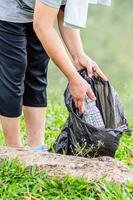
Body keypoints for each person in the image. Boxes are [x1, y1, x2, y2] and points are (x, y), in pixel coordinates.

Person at [0, 0, 108, 149]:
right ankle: (14, 149)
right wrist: (73, 77)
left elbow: (64, 10)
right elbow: (42, 26)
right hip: (7, 9)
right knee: (14, 72)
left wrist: (78, 54)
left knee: (37, 71)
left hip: (37, 9)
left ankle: (36, 147)